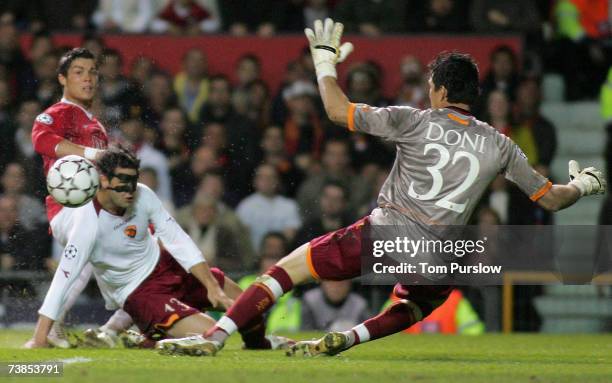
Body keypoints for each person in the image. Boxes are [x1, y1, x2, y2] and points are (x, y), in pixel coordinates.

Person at [159, 18, 606, 357]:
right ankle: (347, 338)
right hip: (441, 256)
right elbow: (551, 198)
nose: (428, 91)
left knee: (285, 271)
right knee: (413, 307)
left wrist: (324, 63)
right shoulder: (499, 143)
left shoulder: (413, 120)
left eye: (432, 85)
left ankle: (215, 338)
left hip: (386, 235)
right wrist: (583, 184)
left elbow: (337, 111)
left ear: (443, 90)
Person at [24, 146, 291, 352]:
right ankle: (150, 336)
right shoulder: (86, 223)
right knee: (211, 335)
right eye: (123, 181)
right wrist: (39, 337)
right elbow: (64, 279)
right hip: (141, 293)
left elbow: (177, 239)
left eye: (133, 180)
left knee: (250, 306)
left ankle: (260, 347)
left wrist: (211, 285)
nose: (130, 189)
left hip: (168, 267)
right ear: (103, 180)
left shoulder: (143, 194)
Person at [29, 47, 112, 348]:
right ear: (62, 78)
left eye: (93, 72)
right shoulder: (58, 113)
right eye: (79, 72)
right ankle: (45, 330)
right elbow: (42, 140)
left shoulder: (96, 124)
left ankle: (114, 326)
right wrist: (93, 154)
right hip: (71, 207)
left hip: (98, 208)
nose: (88, 78)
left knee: (97, 266)